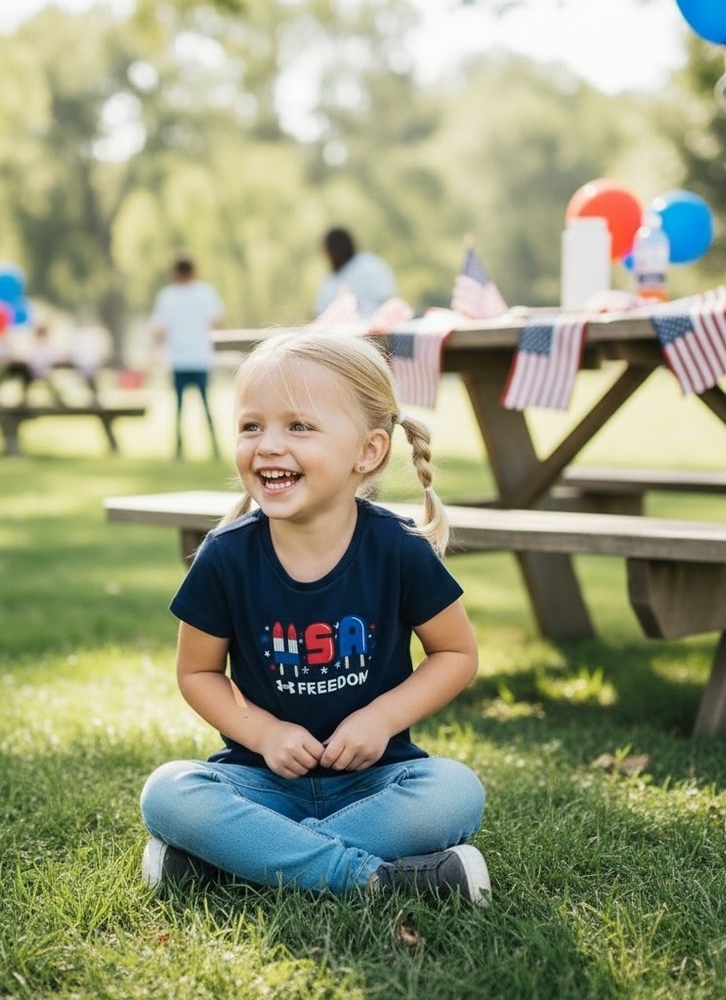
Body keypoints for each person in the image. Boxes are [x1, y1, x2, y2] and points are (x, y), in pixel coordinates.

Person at [139, 331, 490, 902]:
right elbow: (196, 672)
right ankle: (370, 880)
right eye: (252, 426)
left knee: (456, 791)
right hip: (260, 783)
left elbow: (456, 654)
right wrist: (265, 733)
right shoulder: (225, 556)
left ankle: (239, 862)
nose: (268, 445)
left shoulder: (398, 549)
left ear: (368, 452)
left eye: (298, 426)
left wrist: (380, 719)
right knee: (168, 791)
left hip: (375, 785)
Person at [150, 255, 224, 461]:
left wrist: (156, 352)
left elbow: (159, 329)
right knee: (206, 405)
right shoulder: (205, 293)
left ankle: (179, 449)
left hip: (179, 359)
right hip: (200, 357)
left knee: (179, 408)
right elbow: (217, 320)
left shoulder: (167, 296)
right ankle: (214, 448)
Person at [314, 226, 397, 319]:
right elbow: (320, 313)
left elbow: (388, 301)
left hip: (374, 327)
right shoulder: (332, 279)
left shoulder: (368, 266)